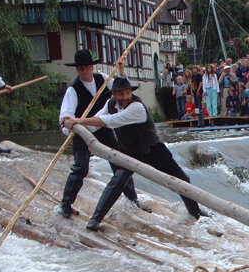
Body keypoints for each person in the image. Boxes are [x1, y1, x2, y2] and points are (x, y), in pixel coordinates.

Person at [62, 77, 206, 231]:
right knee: (117, 180)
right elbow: (96, 122)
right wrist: (73, 128)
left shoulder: (137, 107)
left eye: (127, 93)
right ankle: (95, 220)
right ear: (114, 94)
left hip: (152, 150)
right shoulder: (110, 104)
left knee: (181, 179)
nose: (125, 97)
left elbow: (109, 121)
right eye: (121, 94)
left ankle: (195, 213)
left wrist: (78, 120)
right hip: (130, 151)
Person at [56, 49, 150, 219]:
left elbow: (123, 88)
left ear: (92, 66)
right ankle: (66, 204)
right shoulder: (73, 90)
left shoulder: (103, 79)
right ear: (77, 69)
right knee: (80, 168)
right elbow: (64, 118)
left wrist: (121, 69)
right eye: (81, 69)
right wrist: (68, 126)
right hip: (82, 133)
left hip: (103, 130)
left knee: (120, 162)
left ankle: (132, 200)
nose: (84, 71)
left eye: (87, 67)